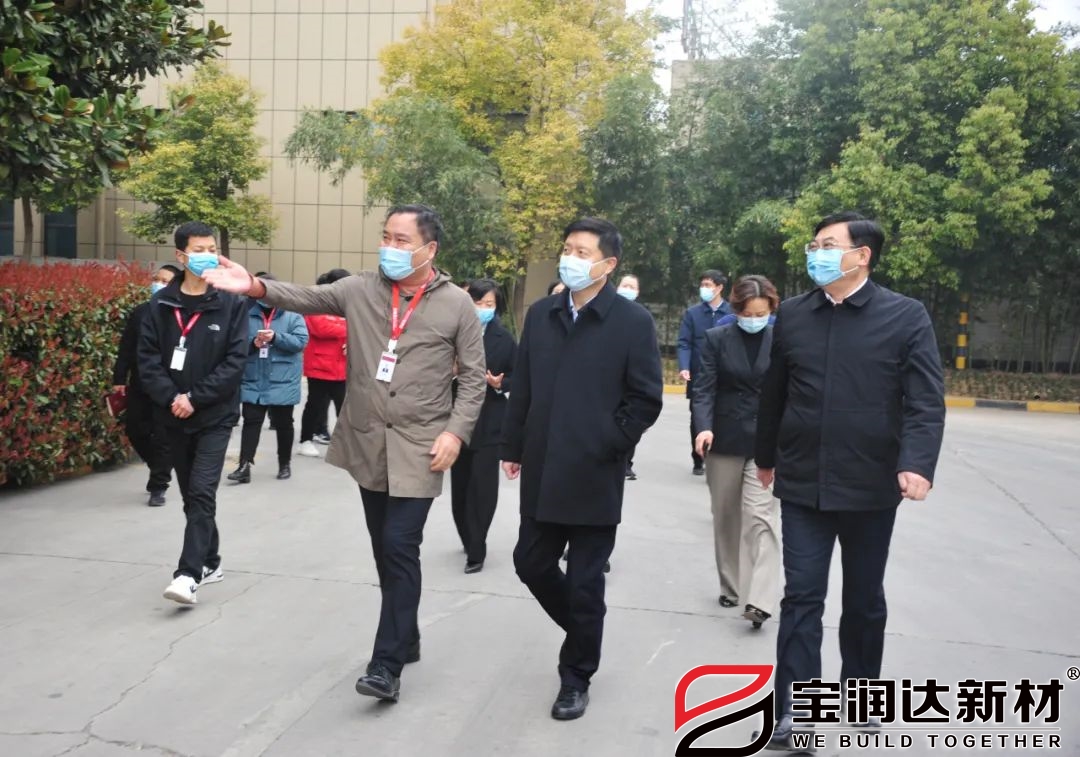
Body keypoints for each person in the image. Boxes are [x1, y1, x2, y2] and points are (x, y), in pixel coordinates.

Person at [203, 204, 486, 703]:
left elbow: (474, 380)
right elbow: (306, 297)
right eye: (386, 236)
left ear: (430, 248)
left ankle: (386, 665)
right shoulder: (361, 289)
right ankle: (406, 634)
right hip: (367, 440)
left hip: (422, 444)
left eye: (401, 240)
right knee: (383, 547)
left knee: (399, 544)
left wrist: (455, 434)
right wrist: (253, 286)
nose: (389, 247)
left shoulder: (457, 305)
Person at [754, 212, 945, 748]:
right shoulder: (794, 314)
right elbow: (774, 392)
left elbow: (925, 401)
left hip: (870, 484)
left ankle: (862, 696)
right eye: (815, 244)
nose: (816, 252)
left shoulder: (905, 316)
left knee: (862, 599)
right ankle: (796, 713)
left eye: (828, 244)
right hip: (803, 481)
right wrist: (765, 456)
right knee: (802, 597)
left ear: (861, 256)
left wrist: (917, 463)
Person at [502, 217, 663, 721]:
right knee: (530, 562)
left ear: (608, 264)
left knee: (586, 580)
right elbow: (523, 387)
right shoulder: (542, 314)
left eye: (582, 252)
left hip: (595, 473)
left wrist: (609, 442)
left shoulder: (632, 322)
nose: (569, 258)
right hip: (543, 466)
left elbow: (646, 398)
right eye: (567, 248)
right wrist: (514, 444)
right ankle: (585, 629)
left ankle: (575, 677)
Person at [137, 222, 249, 605]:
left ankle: (188, 574)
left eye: (212, 249)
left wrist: (195, 398)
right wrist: (172, 397)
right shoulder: (160, 305)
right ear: (181, 256)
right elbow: (147, 359)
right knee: (191, 496)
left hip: (215, 415)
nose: (207, 256)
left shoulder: (232, 303)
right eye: (198, 250)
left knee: (201, 491)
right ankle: (212, 560)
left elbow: (235, 361)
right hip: (172, 414)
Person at [692, 275, 782, 628]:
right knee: (726, 515)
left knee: (761, 518)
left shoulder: (781, 340)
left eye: (762, 313)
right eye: (748, 313)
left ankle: (759, 600)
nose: (755, 319)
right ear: (737, 310)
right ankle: (731, 586)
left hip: (766, 443)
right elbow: (704, 389)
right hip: (724, 440)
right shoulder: (716, 339)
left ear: (771, 310)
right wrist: (703, 426)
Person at [450, 278, 516, 574]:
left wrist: (501, 384)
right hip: (457, 422)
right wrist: (451, 371)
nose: (483, 308)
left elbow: (519, 376)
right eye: (478, 303)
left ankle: (477, 547)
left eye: (489, 304)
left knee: (483, 490)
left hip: (490, 422)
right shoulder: (452, 333)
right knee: (461, 488)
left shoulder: (505, 339)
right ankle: (467, 537)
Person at [227, 275, 309, 483]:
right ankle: (244, 466)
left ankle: (284, 463)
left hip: (282, 379)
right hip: (254, 376)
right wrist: (253, 343)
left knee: (284, 423)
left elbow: (301, 341)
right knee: (251, 421)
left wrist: (276, 337)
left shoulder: (292, 314)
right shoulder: (246, 313)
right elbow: (235, 345)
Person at [113, 263, 182, 506]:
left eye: (165, 280)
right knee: (135, 430)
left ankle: (158, 486)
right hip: (140, 382)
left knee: (162, 436)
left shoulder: (181, 313)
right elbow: (126, 347)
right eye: (156, 279)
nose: (158, 284)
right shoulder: (141, 312)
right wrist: (119, 379)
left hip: (168, 385)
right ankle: (158, 465)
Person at [677, 270, 733, 475]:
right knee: (698, 416)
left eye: (708, 285)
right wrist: (684, 366)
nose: (704, 289)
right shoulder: (692, 313)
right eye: (702, 285)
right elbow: (684, 343)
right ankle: (698, 457)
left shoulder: (732, 312)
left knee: (723, 415)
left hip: (725, 373)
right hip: (699, 373)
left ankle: (717, 456)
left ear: (719, 287)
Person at [298, 268, 351, 456]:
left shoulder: (345, 305)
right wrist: (349, 327)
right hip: (319, 366)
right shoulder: (317, 303)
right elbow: (322, 328)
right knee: (314, 405)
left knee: (344, 408)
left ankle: (345, 444)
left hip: (341, 367)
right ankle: (305, 440)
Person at [616, 273, 642, 480]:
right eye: (625, 285)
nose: (628, 289)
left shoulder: (640, 318)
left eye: (632, 287)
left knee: (628, 419)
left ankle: (627, 463)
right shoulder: (608, 313)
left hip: (629, 378)